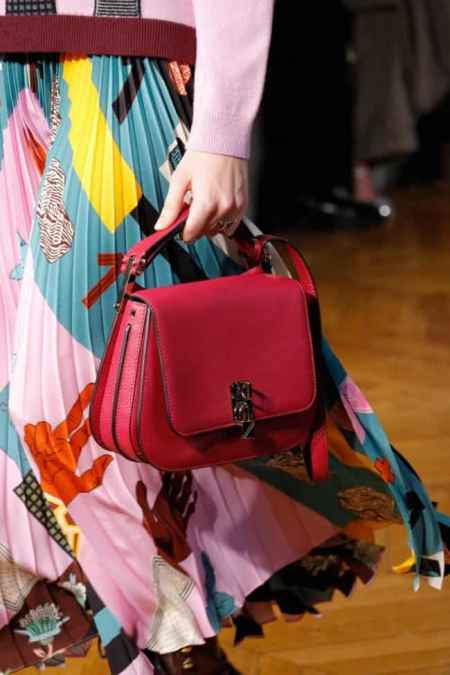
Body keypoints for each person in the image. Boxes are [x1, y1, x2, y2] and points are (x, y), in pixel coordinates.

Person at [0, 3, 448, 675]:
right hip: (10, 72)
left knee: (69, 401)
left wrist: (222, 131)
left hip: (124, 62)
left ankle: (163, 648)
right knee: (61, 405)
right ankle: (181, 650)